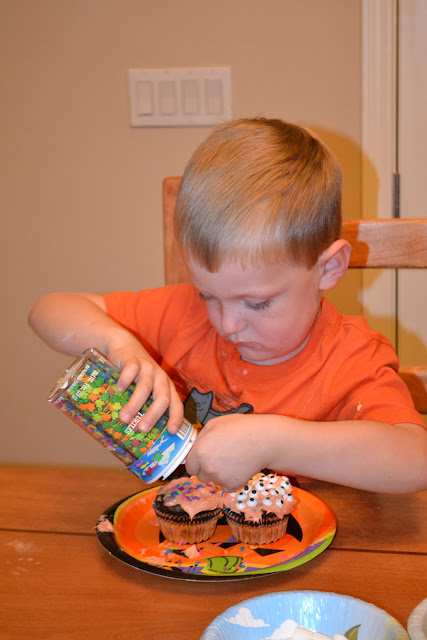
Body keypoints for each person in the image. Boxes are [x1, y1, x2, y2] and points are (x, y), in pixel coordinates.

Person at [28, 117, 427, 494]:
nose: (227, 324)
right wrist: (119, 344)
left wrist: (273, 441)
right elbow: (49, 310)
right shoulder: (185, 314)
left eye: (256, 303)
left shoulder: (349, 358)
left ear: (328, 269)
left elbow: (415, 461)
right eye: (208, 295)